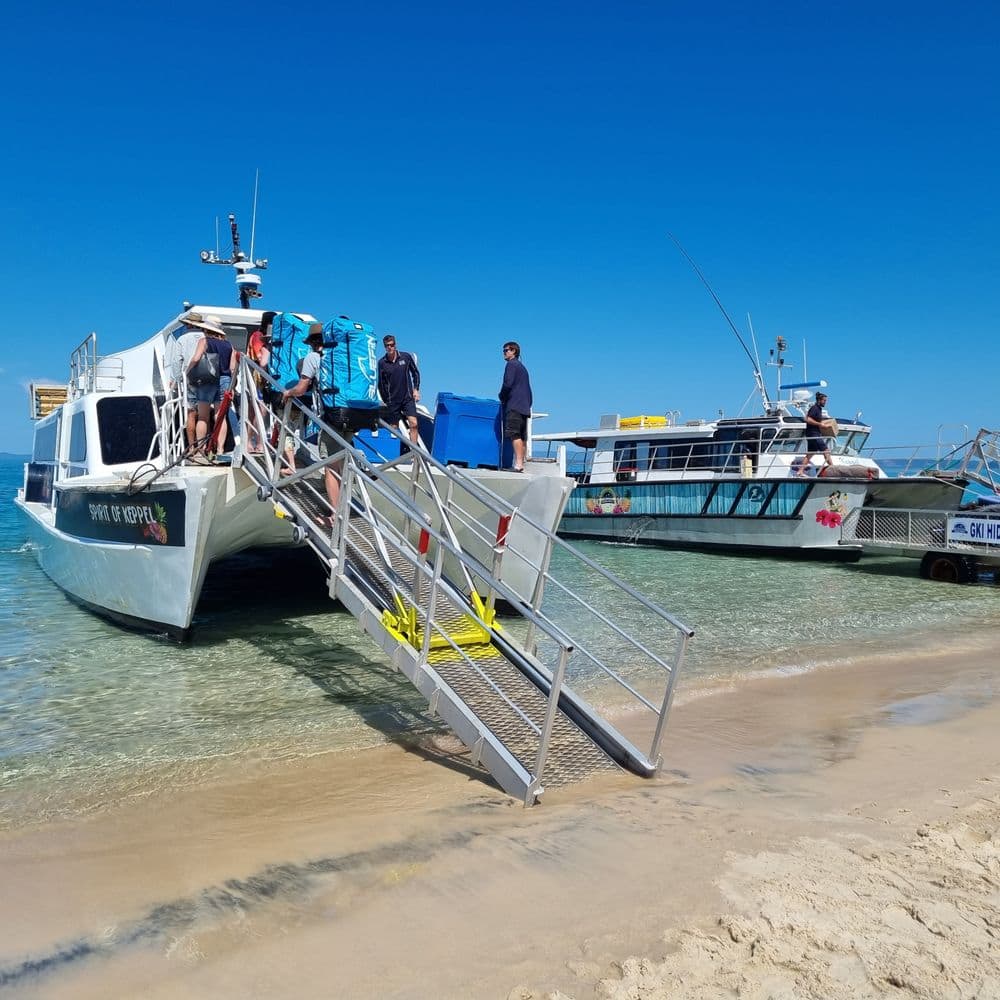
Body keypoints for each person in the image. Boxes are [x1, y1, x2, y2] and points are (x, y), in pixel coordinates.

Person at [280, 324, 352, 524]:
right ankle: (342, 510)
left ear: (312, 342)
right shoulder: (339, 357)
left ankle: (334, 516)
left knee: (330, 467)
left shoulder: (313, 357)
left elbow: (302, 388)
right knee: (341, 465)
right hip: (350, 416)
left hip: (331, 418)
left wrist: (288, 392)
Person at [172, 313, 224, 463]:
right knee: (207, 414)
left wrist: (178, 379)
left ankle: (193, 448)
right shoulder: (210, 338)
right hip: (210, 378)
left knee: (192, 414)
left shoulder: (182, 339)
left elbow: (177, 362)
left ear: (188, 325)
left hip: (191, 378)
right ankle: (208, 446)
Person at [188, 320, 236, 455]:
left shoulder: (204, 341)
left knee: (203, 417)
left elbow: (196, 358)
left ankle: (201, 449)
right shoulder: (229, 345)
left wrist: (187, 372)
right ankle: (220, 449)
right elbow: (232, 367)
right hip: (225, 380)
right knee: (220, 416)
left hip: (207, 379)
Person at [377, 334, 421, 445]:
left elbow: (415, 373)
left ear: (395, 345)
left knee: (414, 423)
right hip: (393, 400)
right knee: (393, 429)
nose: (390, 347)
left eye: (392, 345)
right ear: (385, 347)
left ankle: (414, 453)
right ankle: (395, 454)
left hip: (407, 397)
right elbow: (381, 384)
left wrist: (416, 389)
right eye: (387, 346)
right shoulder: (382, 363)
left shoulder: (406, 357)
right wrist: (387, 400)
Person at [499, 341, 533, 472]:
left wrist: (502, 396)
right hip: (524, 406)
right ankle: (520, 463)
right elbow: (528, 390)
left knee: (515, 434)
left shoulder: (511, 365)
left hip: (514, 405)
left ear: (514, 351)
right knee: (521, 436)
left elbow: (508, 384)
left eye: (506, 350)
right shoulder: (522, 368)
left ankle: (518, 465)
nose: (504, 353)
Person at [795, 390, 834, 477]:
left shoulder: (819, 409)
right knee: (826, 450)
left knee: (810, 454)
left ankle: (800, 471)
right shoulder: (815, 408)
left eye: (826, 401)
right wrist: (820, 424)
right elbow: (807, 419)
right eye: (824, 400)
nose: (825, 402)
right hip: (813, 434)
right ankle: (833, 469)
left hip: (813, 434)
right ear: (819, 400)